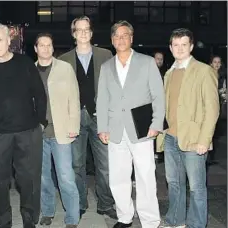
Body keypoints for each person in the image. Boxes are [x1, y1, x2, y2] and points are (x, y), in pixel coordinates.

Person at [0, 23, 47, 228]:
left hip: (28, 133)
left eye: (0, 40)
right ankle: (5, 222)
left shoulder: (25, 63)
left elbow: (39, 94)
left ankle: (29, 220)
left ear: (8, 40)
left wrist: (40, 123)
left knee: (29, 181)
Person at [97, 20, 165, 228]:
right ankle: (124, 216)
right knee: (118, 177)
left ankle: (150, 220)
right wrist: (102, 128)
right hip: (116, 130)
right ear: (112, 40)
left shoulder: (146, 62)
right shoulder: (107, 67)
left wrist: (156, 123)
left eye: (124, 35)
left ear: (131, 38)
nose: (120, 39)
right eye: (116, 36)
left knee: (145, 177)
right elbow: (102, 99)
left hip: (142, 128)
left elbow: (159, 95)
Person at [157, 28, 219, 228]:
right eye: (176, 45)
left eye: (184, 44)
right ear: (170, 47)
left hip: (194, 139)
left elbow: (212, 109)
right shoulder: (168, 73)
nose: (180, 48)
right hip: (171, 137)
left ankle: (196, 224)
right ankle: (176, 220)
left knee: (196, 188)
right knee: (174, 184)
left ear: (191, 46)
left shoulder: (203, 71)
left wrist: (204, 140)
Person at [58, 16, 116, 219]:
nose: (83, 33)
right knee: (76, 165)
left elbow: (114, 86)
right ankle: (80, 203)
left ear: (91, 33)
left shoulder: (106, 55)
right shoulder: (63, 59)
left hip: (100, 117)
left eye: (86, 29)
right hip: (74, 119)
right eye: (78, 30)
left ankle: (105, 204)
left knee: (106, 165)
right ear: (73, 34)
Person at [34, 33, 80, 228]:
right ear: (35, 49)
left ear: (53, 48)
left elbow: (74, 98)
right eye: (41, 45)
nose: (45, 48)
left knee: (65, 177)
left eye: (49, 45)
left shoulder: (64, 68)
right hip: (37, 133)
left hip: (61, 131)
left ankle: (72, 217)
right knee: (43, 177)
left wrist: (73, 126)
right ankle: (48, 211)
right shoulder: (29, 70)